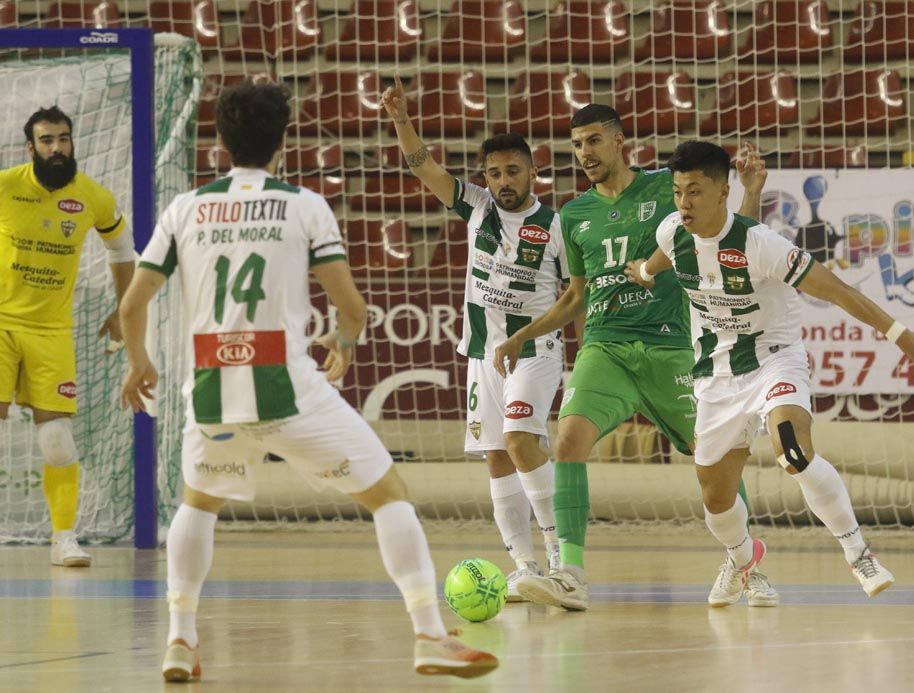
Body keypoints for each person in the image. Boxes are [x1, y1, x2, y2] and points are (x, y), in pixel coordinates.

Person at [117, 82, 498, 683]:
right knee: (387, 494)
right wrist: (342, 343)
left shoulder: (185, 208)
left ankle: (179, 641)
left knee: (198, 503)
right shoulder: (303, 205)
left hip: (213, 385)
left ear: (219, 141)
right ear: (283, 140)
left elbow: (134, 304)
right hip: (288, 385)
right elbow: (353, 308)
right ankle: (428, 633)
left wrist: (138, 361)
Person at [625, 140, 914, 600]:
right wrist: (640, 271)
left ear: (723, 192)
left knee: (793, 451)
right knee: (715, 500)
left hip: (774, 359)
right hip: (715, 375)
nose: (684, 203)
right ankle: (743, 559)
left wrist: (900, 335)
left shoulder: (764, 246)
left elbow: (838, 290)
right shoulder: (672, 231)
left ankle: (858, 553)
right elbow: (659, 261)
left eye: (694, 192)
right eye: (678, 192)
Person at [492, 104, 775, 610]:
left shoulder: (666, 188)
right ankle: (570, 573)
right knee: (569, 438)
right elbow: (575, 297)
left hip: (672, 348)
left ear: (620, 141)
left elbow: (724, 242)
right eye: (576, 144)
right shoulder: (574, 214)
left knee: (716, 461)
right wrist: (523, 335)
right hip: (605, 345)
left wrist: (751, 191)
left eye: (593, 141)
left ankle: (747, 567)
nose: (584, 153)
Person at [382, 75, 566, 599]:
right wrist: (401, 120)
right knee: (496, 455)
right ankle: (526, 566)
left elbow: (573, 295)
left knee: (518, 439)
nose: (504, 181)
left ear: (534, 171)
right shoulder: (478, 207)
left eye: (513, 171)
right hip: (482, 352)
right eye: (494, 172)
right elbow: (426, 169)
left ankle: (560, 555)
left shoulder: (557, 225)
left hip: (535, 348)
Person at [0, 105, 135, 567]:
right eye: (46, 141)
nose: (56, 148)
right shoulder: (6, 185)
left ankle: (64, 540)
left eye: (63, 139)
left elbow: (121, 248)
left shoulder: (93, 197)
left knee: (57, 436)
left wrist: (124, 309)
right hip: (0, 323)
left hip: (52, 330)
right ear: (30, 148)